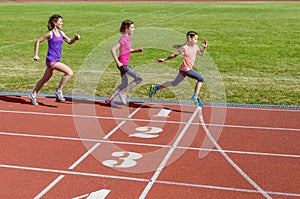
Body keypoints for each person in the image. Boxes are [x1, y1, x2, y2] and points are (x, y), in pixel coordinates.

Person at [29, 14, 80, 105]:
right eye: (60, 21)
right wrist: (36, 54)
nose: (62, 23)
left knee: (44, 79)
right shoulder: (50, 34)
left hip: (56, 60)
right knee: (69, 72)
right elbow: (38, 41)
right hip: (51, 60)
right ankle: (58, 90)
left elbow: (69, 42)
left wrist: (75, 39)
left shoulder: (61, 33)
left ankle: (33, 94)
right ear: (54, 22)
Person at [149, 31, 207, 106]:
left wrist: (204, 48)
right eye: (195, 39)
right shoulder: (184, 48)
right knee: (201, 79)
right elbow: (174, 55)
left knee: (174, 83)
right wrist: (164, 59)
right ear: (190, 39)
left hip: (183, 70)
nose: (197, 41)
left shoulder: (195, 47)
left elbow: (201, 54)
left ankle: (155, 88)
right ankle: (195, 97)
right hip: (187, 70)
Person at [105, 19, 143, 108]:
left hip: (123, 64)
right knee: (138, 78)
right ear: (127, 29)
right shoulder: (124, 38)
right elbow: (113, 49)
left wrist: (137, 50)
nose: (134, 29)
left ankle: (109, 100)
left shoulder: (128, 38)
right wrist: (117, 62)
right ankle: (123, 93)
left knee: (124, 83)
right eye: (132, 28)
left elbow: (127, 50)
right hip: (123, 65)